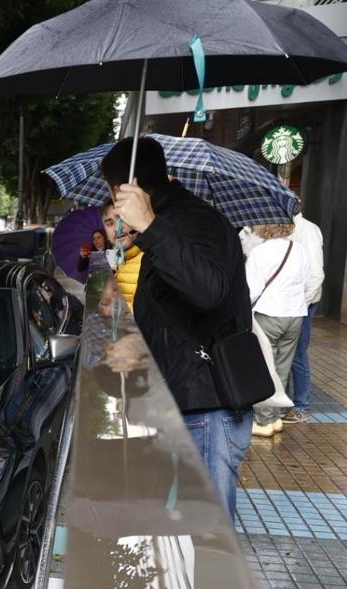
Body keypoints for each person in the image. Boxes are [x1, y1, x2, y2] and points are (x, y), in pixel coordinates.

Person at [102, 135, 253, 517]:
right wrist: (139, 346)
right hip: (186, 399)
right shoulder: (172, 221)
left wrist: (150, 225)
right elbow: (178, 309)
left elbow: (207, 292)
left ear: (122, 190)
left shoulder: (190, 220)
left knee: (205, 538)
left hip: (207, 406)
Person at [246, 223, 312, 437]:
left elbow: (250, 288)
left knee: (264, 367)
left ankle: (263, 421)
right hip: (295, 315)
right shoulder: (299, 249)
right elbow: (306, 282)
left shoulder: (260, 252)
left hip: (269, 313)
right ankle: (274, 418)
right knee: (282, 367)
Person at [283, 211, 324, 424]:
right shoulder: (287, 229)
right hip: (289, 303)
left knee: (298, 354)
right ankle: (286, 404)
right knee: (286, 354)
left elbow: (317, 274)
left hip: (302, 304)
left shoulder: (307, 230)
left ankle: (301, 406)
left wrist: (302, 303)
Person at [100, 200, 143, 310]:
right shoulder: (114, 262)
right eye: (110, 224)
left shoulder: (155, 260)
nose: (117, 229)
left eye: (122, 219)